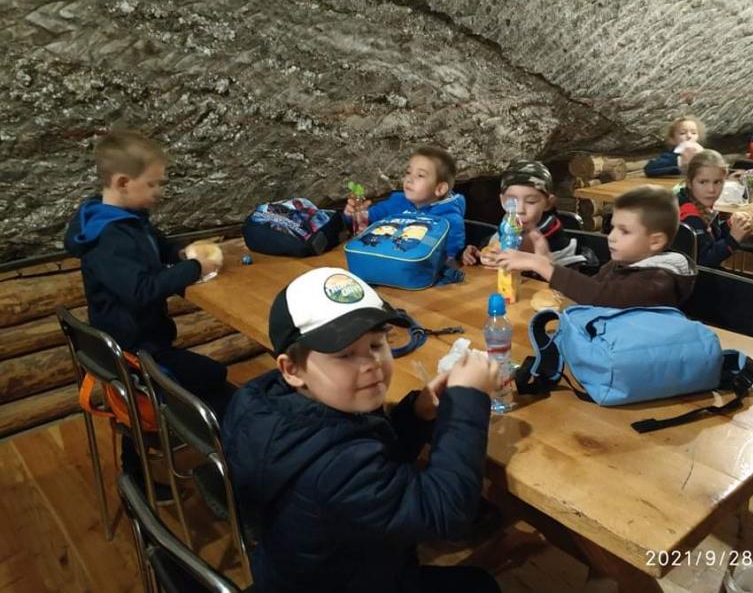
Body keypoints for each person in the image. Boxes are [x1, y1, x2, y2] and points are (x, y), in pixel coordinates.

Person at [222, 267, 501, 593]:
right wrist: (469, 399)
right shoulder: (335, 466)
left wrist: (415, 414)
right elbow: (447, 511)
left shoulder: (271, 403)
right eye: (344, 355)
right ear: (292, 369)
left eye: (377, 344)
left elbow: (372, 466)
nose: (371, 363)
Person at [64, 130, 233, 496]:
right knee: (220, 383)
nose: (159, 191)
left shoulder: (126, 218)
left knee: (210, 375)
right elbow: (141, 290)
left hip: (138, 346)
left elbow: (157, 245)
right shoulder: (108, 238)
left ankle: (137, 471)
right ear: (123, 182)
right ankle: (233, 469)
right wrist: (194, 269)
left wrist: (182, 253)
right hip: (137, 354)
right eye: (153, 184)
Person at [494, 185, 696, 307]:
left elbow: (599, 296)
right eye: (613, 227)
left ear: (655, 241)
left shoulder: (658, 282)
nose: (612, 237)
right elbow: (585, 290)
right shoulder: (623, 263)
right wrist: (544, 261)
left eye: (624, 231)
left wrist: (540, 265)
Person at [345, 146, 466, 260]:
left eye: (420, 175)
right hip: (382, 261)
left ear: (440, 189)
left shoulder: (448, 220)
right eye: (408, 172)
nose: (409, 179)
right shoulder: (396, 202)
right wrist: (354, 214)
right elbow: (365, 221)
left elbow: (450, 257)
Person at [461, 160, 581, 268]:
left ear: (548, 203)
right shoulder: (505, 229)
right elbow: (489, 251)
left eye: (531, 202)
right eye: (511, 201)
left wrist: (527, 262)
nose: (520, 210)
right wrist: (476, 255)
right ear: (502, 201)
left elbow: (560, 275)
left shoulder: (556, 241)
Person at [679, 150, 753, 268]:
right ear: (689, 183)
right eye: (703, 182)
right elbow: (703, 264)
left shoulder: (698, 203)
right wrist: (733, 239)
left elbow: (710, 239)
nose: (711, 189)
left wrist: (731, 224)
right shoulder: (690, 216)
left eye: (717, 182)